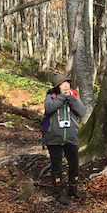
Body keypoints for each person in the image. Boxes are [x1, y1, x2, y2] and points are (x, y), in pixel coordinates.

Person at [44, 73, 87, 204]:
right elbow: (49, 108)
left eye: (67, 83)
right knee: (56, 166)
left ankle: (73, 189)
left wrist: (71, 99)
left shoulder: (73, 96)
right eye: (63, 84)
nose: (66, 86)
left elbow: (82, 112)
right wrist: (62, 97)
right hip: (54, 138)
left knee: (74, 165)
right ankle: (58, 193)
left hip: (71, 137)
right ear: (57, 86)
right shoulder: (51, 97)